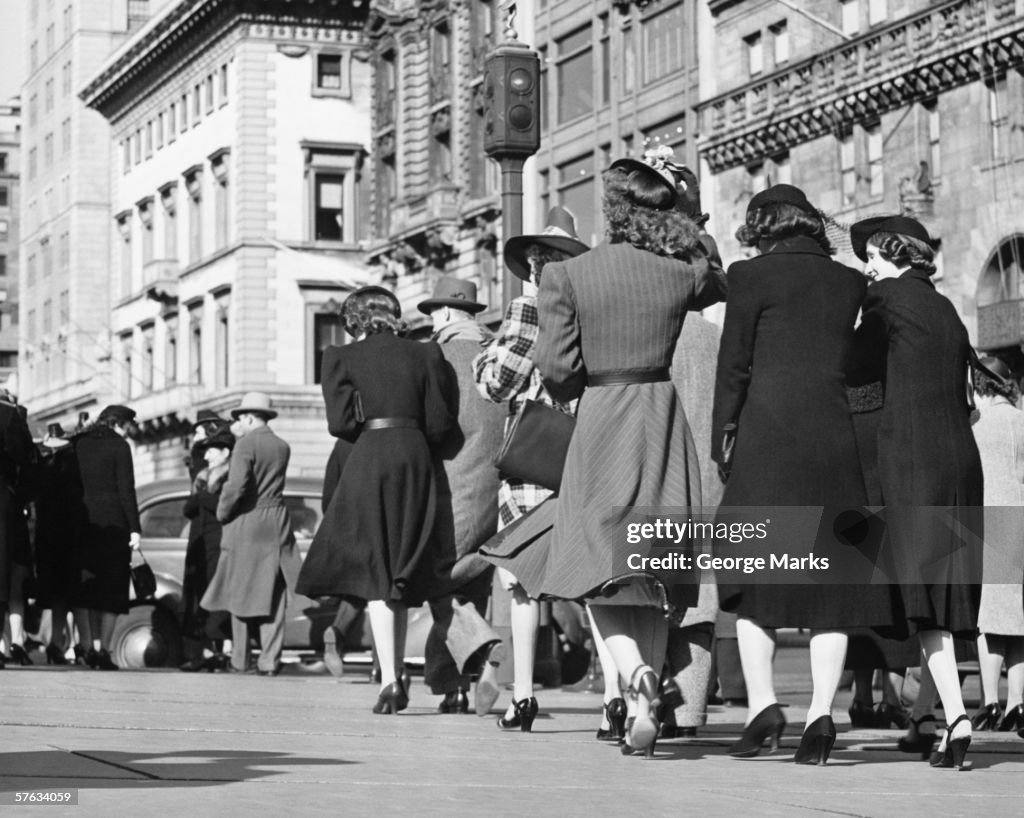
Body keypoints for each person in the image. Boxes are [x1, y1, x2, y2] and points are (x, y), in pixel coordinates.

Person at [482, 156, 726, 756]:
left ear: (611, 210)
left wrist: (579, 389)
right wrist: (687, 212)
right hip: (662, 417)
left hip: (601, 415)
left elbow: (557, 369)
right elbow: (717, 273)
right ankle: (645, 691)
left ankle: (639, 676)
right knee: (651, 564)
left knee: (595, 564)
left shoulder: (569, 277)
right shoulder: (678, 274)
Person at [711, 184, 896, 764]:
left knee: (748, 573)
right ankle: (820, 715)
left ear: (765, 223)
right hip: (832, 440)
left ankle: (763, 704)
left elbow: (734, 364)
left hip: (767, 440)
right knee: (833, 586)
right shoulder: (849, 283)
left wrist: (723, 436)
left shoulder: (748, 277)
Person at [850, 213, 983, 770]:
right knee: (950, 595)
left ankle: (954, 716)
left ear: (900, 255)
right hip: (958, 459)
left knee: (922, 598)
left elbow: (854, 367)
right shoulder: (948, 309)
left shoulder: (884, 303)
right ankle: (927, 716)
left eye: (876, 255)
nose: (868, 265)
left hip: (911, 458)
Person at [306, 286, 455, 714]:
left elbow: (339, 424)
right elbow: (440, 422)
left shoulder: (340, 357)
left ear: (353, 321)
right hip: (415, 457)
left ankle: (390, 679)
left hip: (369, 456)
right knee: (404, 571)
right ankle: (399, 673)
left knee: (375, 570)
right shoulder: (427, 354)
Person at [473, 206, 589, 731]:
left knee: (522, 580)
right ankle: (617, 694)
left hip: (533, 461)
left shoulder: (529, 308)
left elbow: (496, 381)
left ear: (537, 264)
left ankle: (523, 696)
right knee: (591, 580)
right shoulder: (591, 308)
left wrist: (483, 357)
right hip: (585, 450)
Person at [417, 276, 507, 716]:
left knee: (433, 577)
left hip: (452, 482)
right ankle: (452, 687)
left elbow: (433, 424)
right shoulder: (496, 353)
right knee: (471, 583)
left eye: (434, 312)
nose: (431, 321)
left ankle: (483, 645)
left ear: (449, 313)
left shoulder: (440, 357)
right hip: (497, 484)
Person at [201, 393, 299, 677]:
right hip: (278, 520)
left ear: (248, 417)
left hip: (249, 520)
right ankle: (269, 660)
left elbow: (236, 487)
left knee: (240, 591)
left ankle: (240, 660)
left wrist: (222, 512)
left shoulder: (245, 445)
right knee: (273, 592)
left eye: (238, 419)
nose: (236, 425)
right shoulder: (282, 446)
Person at [969, 356, 1024, 735]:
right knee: (1019, 621)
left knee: (987, 621)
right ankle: (1018, 703)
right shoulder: (1021, 421)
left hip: (987, 524)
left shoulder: (973, 423)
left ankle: (989, 701)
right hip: (1020, 523)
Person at [72, 404, 142, 670]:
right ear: (119, 424)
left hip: (83, 522)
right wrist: (135, 528)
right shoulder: (120, 447)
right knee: (112, 589)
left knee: (84, 587)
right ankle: (106, 651)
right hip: (114, 524)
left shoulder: (78, 443)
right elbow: (127, 489)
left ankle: (88, 646)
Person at [179, 428, 235, 672]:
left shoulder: (230, 476)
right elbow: (188, 509)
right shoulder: (203, 477)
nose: (208, 456)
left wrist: (203, 497)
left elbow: (223, 508)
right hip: (201, 543)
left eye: (212, 451)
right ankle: (206, 651)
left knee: (219, 596)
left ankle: (225, 651)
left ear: (225, 453)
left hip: (220, 542)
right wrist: (199, 491)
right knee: (201, 596)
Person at [33, 423, 84, 665]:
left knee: (54, 594)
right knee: (66, 595)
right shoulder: (73, 468)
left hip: (47, 537)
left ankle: (56, 641)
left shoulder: (44, 468)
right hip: (68, 536)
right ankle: (62, 642)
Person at [1, 390, 35, 669]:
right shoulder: (9, 414)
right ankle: (16, 641)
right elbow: (26, 461)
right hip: (5, 502)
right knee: (10, 578)